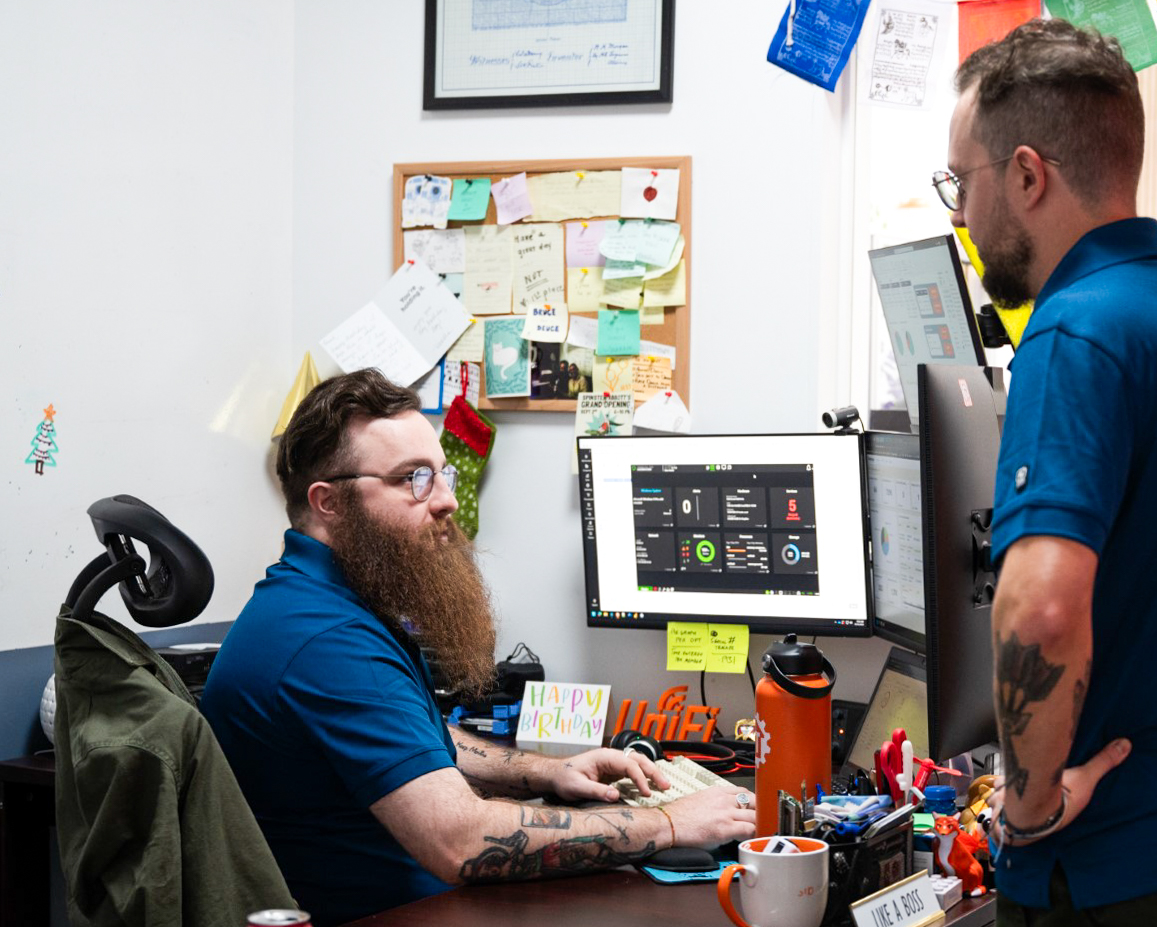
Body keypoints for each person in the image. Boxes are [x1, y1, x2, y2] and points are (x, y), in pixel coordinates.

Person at [942, 19, 1157, 925]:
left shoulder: (1074, 332)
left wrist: (1025, 805)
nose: (960, 215)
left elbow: (1042, 609)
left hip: (1113, 860)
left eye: (962, 183)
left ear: (1026, 175)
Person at [201, 370, 754, 925]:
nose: (445, 500)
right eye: (413, 479)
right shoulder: (325, 640)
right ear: (329, 503)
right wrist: (671, 824)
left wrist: (548, 774)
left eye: (442, 474)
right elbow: (460, 841)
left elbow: (419, 745)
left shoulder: (322, 599)